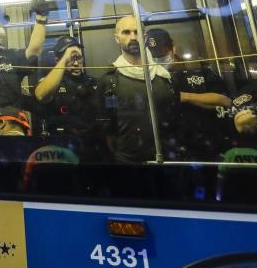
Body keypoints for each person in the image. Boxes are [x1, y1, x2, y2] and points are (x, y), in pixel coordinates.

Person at [97, 15, 176, 163]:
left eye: (137, 32)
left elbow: (173, 118)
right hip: (128, 163)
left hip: (167, 160)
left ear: (145, 38)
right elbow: (108, 127)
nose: (133, 37)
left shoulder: (163, 77)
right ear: (117, 38)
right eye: (126, 32)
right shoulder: (109, 81)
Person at [146, 29, 231, 161]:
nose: (158, 60)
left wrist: (182, 96)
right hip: (169, 150)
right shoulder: (150, 79)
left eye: (161, 55)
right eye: (154, 57)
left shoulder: (198, 71)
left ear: (173, 48)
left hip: (206, 147)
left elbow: (224, 101)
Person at [0, 0, 50, 132]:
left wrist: (41, 17)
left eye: (0, 24)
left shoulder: (10, 56)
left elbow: (34, 49)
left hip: (13, 125)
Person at [34, 35, 103, 160]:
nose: (76, 63)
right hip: (62, 148)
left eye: (79, 58)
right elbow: (40, 94)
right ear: (58, 60)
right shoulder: (52, 83)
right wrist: (65, 58)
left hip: (92, 147)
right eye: (71, 59)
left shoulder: (93, 83)